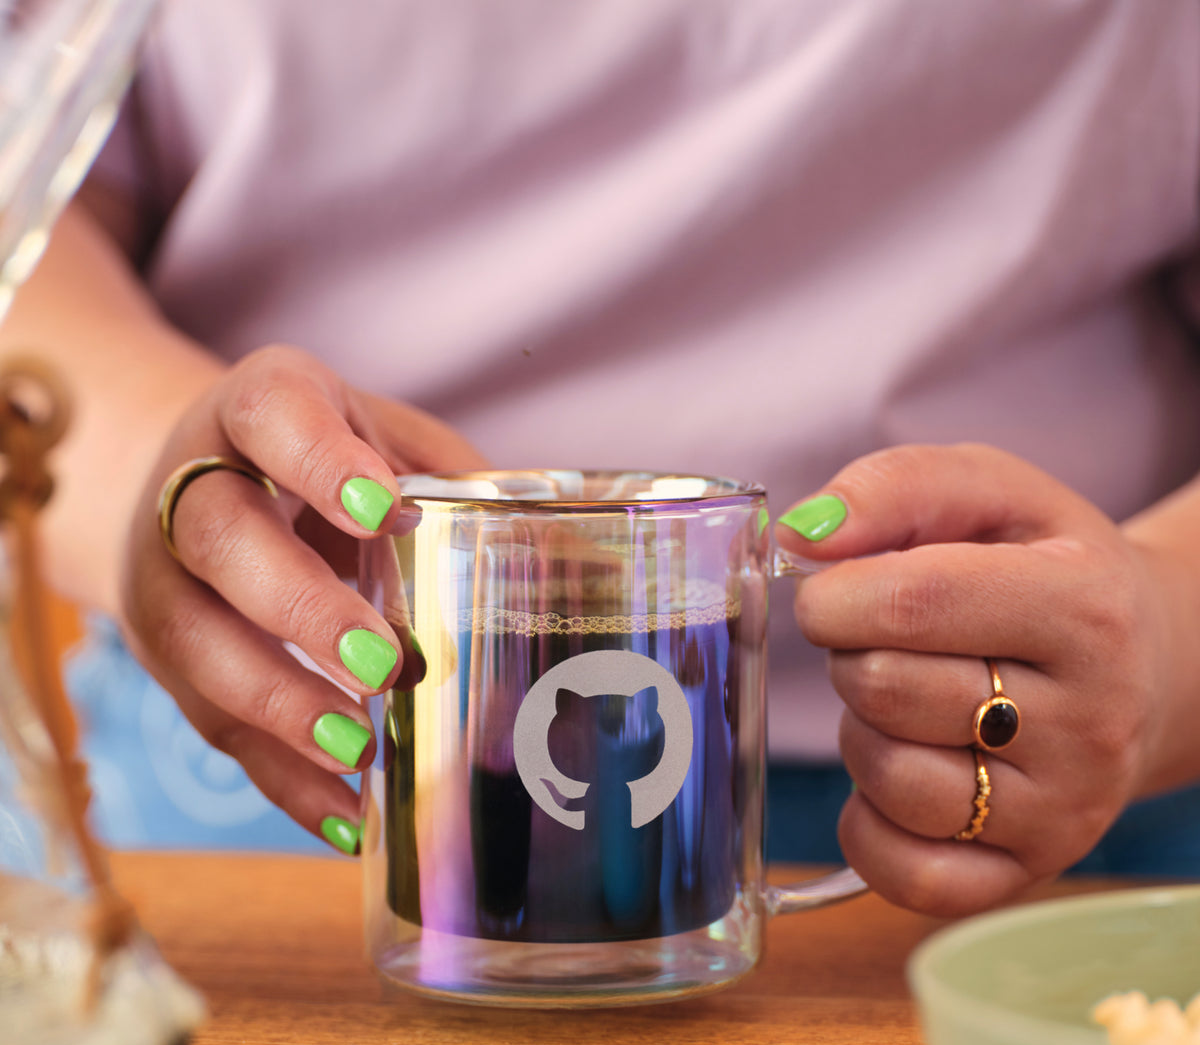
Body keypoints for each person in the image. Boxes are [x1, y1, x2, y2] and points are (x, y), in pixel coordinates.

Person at [3, 0, 1200, 915]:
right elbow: (28, 185)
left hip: (1049, 811)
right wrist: (150, 483)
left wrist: (1156, 632)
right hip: (271, 773)